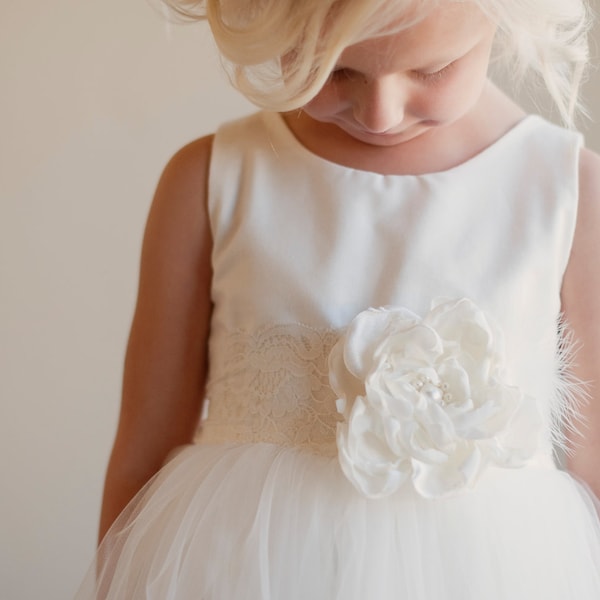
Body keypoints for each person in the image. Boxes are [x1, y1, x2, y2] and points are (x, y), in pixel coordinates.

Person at [76, 0, 600, 597]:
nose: (381, 114)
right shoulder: (211, 180)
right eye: (334, 69)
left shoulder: (569, 193)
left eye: (432, 70)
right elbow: (143, 447)